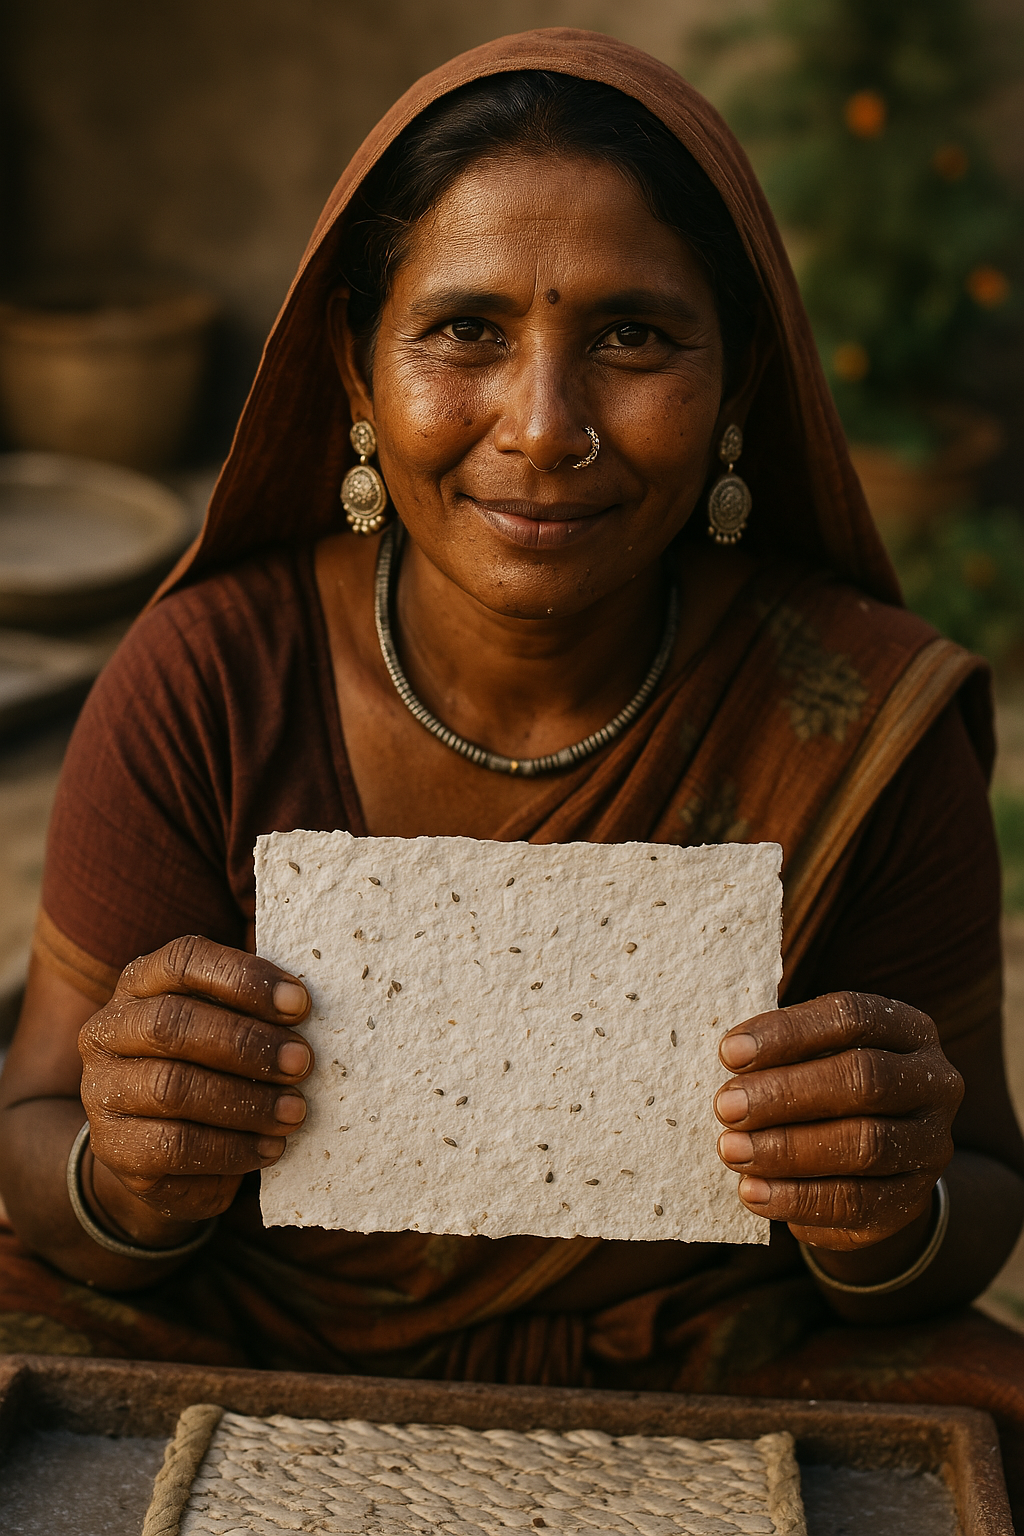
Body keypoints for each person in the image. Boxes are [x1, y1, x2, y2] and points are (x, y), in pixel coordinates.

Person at [3, 25, 1024, 1511]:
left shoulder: (859, 720)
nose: (544, 428)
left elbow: (978, 1197)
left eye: (635, 338)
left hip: (709, 1349)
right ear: (356, 374)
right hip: (245, 1325)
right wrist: (130, 1170)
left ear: (738, 386)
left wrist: (881, 1204)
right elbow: (32, 1142)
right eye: (464, 331)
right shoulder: (214, 679)